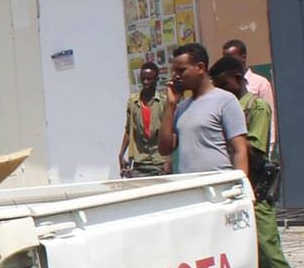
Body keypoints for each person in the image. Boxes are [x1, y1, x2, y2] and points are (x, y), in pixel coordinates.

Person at [211, 55, 304, 268]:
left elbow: (254, 147)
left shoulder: (256, 107)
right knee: (246, 255)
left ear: (232, 79)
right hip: (230, 190)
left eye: (222, 84)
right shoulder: (222, 107)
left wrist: (228, 145)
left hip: (255, 188)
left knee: (270, 254)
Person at [157, 42, 248, 177]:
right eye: (174, 72)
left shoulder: (225, 100)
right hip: (190, 188)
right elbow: (164, 149)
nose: (176, 76)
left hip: (219, 186)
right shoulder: (181, 107)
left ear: (200, 68)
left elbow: (240, 150)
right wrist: (170, 105)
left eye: (182, 70)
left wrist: (241, 187)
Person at [118, 61, 171, 177]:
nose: (146, 82)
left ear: (156, 79)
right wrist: (121, 154)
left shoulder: (163, 102)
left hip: (159, 161)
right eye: (143, 79)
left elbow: (170, 133)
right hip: (140, 162)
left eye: (149, 79)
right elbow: (129, 130)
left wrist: (168, 159)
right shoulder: (133, 102)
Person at [222, 38, 278, 146]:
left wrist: (270, 144)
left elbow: (270, 117)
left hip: (255, 142)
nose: (228, 63)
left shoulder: (260, 83)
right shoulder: (225, 85)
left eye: (231, 59)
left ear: (243, 58)